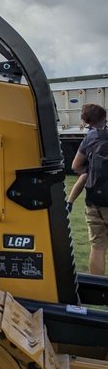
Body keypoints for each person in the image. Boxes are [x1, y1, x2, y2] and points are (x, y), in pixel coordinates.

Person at [71, 103, 108, 275]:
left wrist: (88, 172)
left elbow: (76, 166)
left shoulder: (90, 138)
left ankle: (99, 291)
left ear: (87, 121)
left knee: (97, 247)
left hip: (95, 200)